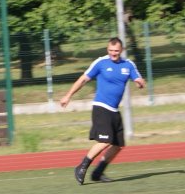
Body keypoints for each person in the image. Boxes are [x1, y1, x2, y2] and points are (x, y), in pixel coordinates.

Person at [60, 36, 145, 185]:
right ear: (107, 49)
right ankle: (82, 166)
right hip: (101, 107)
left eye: (116, 51)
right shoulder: (101, 62)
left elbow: (138, 78)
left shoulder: (128, 64)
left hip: (114, 111)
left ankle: (98, 173)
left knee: (118, 145)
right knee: (105, 141)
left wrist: (140, 82)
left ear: (122, 50)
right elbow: (83, 79)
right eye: (111, 50)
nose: (113, 53)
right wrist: (68, 95)